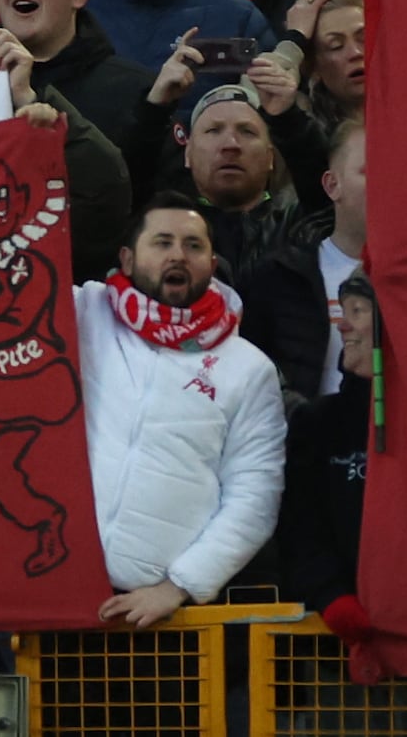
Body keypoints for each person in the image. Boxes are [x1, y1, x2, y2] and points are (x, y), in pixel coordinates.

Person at [79, 198, 287, 627]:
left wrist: (179, 586)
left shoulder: (249, 368)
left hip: (164, 618)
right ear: (127, 259)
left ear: (211, 263)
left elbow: (254, 494)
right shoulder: (82, 314)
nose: (178, 255)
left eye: (193, 245)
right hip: (55, 590)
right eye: (162, 242)